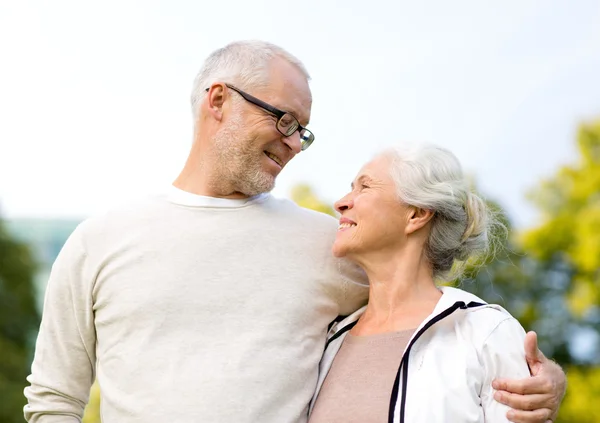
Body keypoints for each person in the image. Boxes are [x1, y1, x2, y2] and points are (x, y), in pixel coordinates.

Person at [24, 41, 565, 423]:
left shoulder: (328, 244)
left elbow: (431, 314)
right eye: (283, 120)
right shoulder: (100, 241)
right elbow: (53, 401)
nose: (292, 143)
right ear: (218, 101)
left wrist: (542, 380)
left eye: (302, 132)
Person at [308, 144, 566, 423]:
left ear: (417, 214)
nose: (341, 202)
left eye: (365, 187)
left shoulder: (485, 333)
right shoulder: (328, 341)